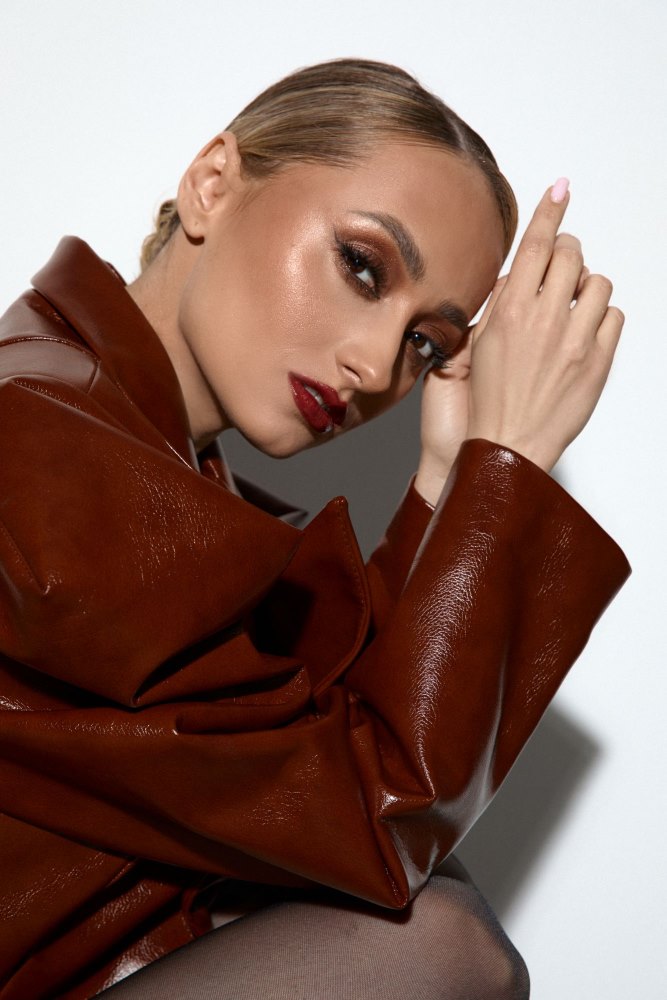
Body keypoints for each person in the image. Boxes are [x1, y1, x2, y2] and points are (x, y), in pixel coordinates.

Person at [0, 58, 629, 999]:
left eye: (426, 344)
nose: (376, 365)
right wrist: (508, 471)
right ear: (213, 183)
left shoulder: (140, 456)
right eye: (361, 266)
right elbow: (374, 820)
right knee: (439, 942)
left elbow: (318, 749)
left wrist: (445, 480)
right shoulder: (41, 439)